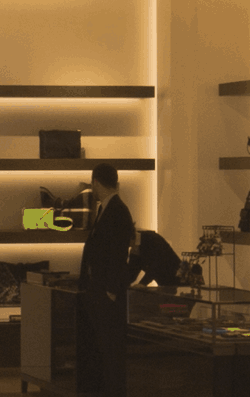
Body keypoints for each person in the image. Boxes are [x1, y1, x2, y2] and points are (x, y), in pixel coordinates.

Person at [76, 163, 134, 395]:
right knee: (102, 347)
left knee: (109, 348)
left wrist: (110, 290)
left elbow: (117, 253)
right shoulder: (109, 209)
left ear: (96, 183)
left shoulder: (116, 210)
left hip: (106, 293)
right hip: (100, 290)